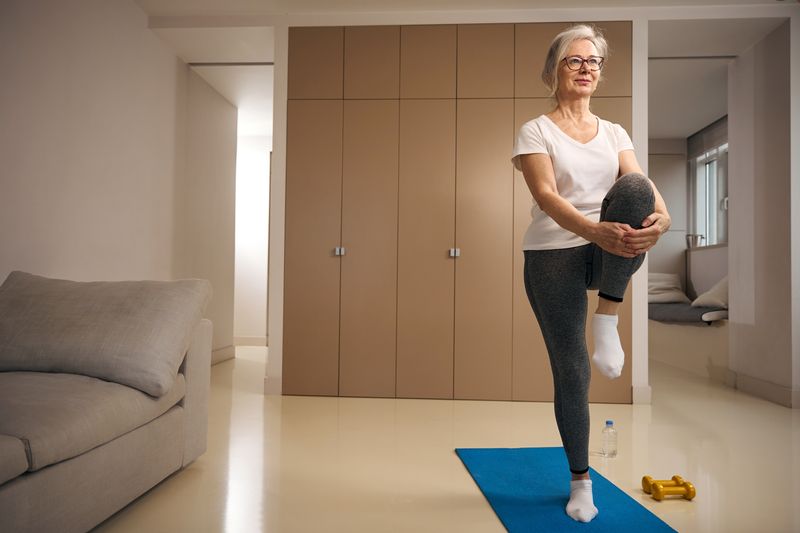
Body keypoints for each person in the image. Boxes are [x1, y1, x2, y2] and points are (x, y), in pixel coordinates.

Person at [511, 24, 671, 523]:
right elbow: (547, 196)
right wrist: (592, 231)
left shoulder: (616, 132)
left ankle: (608, 315)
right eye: (574, 60)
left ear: (600, 74)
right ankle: (581, 481)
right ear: (554, 70)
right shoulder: (536, 129)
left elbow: (641, 187)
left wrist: (663, 219)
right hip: (554, 252)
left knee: (638, 188)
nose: (585, 69)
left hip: (607, 251)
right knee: (572, 371)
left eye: (593, 62)